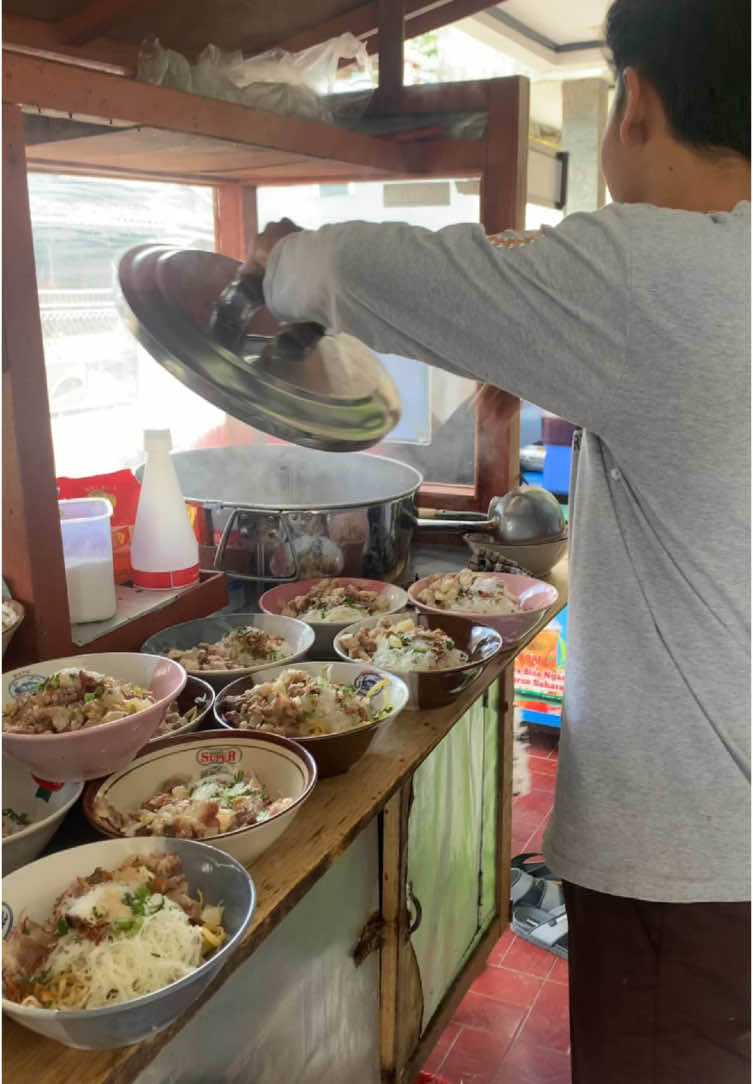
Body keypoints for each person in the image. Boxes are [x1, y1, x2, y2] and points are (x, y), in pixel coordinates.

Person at [244, 0, 751, 1079]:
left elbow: (367, 273)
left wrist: (280, 259)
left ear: (640, 102)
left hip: (696, 852)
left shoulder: (666, 273)